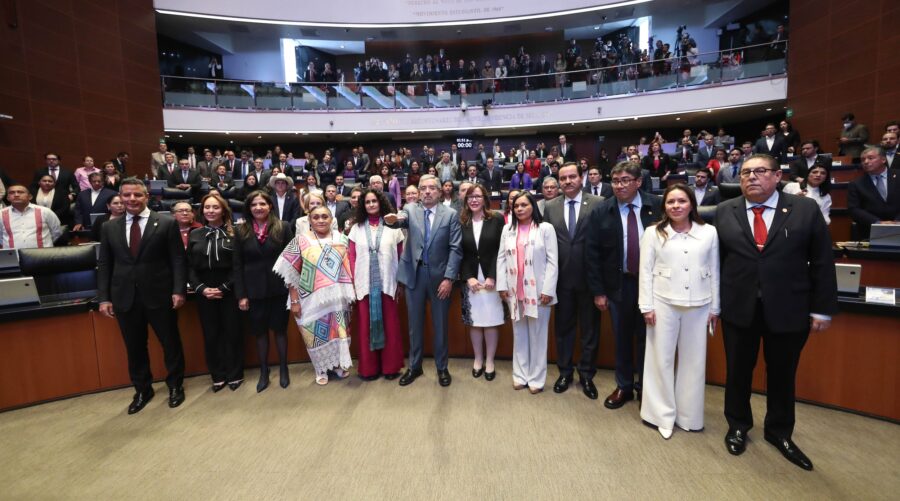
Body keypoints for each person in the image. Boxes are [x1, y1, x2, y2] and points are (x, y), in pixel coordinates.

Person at [716, 154, 838, 471]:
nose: (752, 177)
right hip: (738, 308)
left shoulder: (804, 209)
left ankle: (779, 432)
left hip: (789, 308)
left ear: (777, 175)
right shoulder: (724, 211)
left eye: (760, 171)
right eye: (745, 173)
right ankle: (738, 425)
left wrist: (822, 309)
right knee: (738, 372)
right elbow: (715, 263)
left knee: (783, 374)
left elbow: (823, 262)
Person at [97, 178, 186, 414]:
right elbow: (105, 264)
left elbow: (177, 259)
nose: (132, 199)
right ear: (120, 198)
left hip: (160, 295)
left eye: (137, 195)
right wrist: (104, 298)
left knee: (170, 343)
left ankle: (175, 385)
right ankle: (142, 389)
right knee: (134, 347)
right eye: (127, 195)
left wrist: (178, 290)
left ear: (146, 196)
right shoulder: (109, 227)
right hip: (125, 296)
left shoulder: (166, 223)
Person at [638, 184, 720, 439]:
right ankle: (660, 415)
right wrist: (646, 306)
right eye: (670, 202)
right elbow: (645, 271)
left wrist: (715, 307)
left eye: (681, 201)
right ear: (664, 206)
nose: (676, 206)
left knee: (694, 362)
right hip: (662, 303)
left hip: (700, 304)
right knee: (659, 359)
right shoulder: (653, 232)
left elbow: (715, 271)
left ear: (692, 204)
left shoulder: (709, 232)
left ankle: (688, 416)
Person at [585, 161, 662, 410]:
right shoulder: (602, 210)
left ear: (638, 182)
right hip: (618, 286)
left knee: (648, 338)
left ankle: (646, 388)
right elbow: (592, 254)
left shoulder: (657, 205)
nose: (619, 186)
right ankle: (624, 386)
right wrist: (598, 292)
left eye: (625, 180)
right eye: (616, 181)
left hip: (653, 286)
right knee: (622, 338)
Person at [384, 175, 462, 387]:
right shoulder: (410, 210)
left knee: (440, 325)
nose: (427, 192)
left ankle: (442, 368)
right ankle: (415, 366)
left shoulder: (451, 215)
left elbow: (456, 249)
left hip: (439, 278)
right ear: (418, 192)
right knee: (414, 325)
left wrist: (449, 278)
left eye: (431, 188)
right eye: (423, 188)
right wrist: (391, 219)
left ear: (439, 192)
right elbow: (398, 220)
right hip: (414, 276)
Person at [274, 206, 355, 385]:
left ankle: (338, 365)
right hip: (309, 297)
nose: (320, 220)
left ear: (331, 219)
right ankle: (321, 368)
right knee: (314, 334)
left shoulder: (342, 238)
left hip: (338, 297)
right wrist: (294, 300)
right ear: (309, 220)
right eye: (316, 217)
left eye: (324, 216)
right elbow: (290, 273)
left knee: (339, 331)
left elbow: (350, 266)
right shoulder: (300, 241)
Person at [542, 163, 604, 398]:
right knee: (563, 329)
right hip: (561, 280)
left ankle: (587, 375)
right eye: (563, 178)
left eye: (572, 177)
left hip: (590, 280)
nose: (567, 181)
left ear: (581, 178)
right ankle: (565, 372)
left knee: (590, 331)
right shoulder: (550, 206)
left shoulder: (597, 203)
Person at [496, 192, 558, 394]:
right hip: (515, 291)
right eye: (516, 206)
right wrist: (502, 285)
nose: (520, 209)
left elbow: (552, 261)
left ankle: (536, 379)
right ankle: (520, 375)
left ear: (533, 206)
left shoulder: (545, 228)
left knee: (538, 336)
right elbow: (501, 259)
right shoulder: (508, 229)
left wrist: (548, 289)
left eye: (524, 205)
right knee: (519, 334)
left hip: (539, 292)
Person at [234, 190, 294, 392]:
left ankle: (284, 368)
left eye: (262, 204)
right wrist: (241, 295)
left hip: (279, 289)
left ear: (270, 206)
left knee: (280, 331)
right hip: (254, 291)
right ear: (249, 208)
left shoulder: (283, 227)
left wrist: (292, 289)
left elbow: (292, 260)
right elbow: (237, 265)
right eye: (254, 205)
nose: (258, 208)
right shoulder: (241, 230)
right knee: (260, 333)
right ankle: (263, 370)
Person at [187, 193, 243, 392]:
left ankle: (235, 373)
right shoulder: (195, 234)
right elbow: (189, 267)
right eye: (207, 208)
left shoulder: (236, 233)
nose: (211, 211)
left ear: (224, 211)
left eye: (215, 207)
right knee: (211, 335)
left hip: (229, 289)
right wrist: (201, 288)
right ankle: (217, 375)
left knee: (232, 333)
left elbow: (239, 265)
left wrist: (224, 288)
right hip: (204, 290)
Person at [348, 190, 405, 380]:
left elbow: (400, 254)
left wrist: (400, 283)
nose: (371, 204)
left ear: (381, 203)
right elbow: (352, 257)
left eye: (374, 201)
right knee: (366, 327)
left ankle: (391, 367)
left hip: (388, 283)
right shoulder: (356, 228)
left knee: (390, 326)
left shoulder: (393, 226)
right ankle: (369, 369)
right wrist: (354, 283)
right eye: (367, 202)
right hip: (364, 284)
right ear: (363, 206)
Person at [459, 183, 505, 381]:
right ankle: (478, 359)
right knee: (476, 322)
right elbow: (458, 253)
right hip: (471, 281)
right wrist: (467, 276)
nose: (474, 200)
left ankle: (490, 361)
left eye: (477, 196)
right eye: (470, 197)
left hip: (491, 279)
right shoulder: (461, 221)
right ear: (466, 201)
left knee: (491, 321)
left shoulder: (496, 219)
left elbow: (501, 250)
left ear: (485, 199)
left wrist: (493, 275)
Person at [847, 146, 900, 238]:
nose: (866, 162)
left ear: (883, 159)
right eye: (863, 160)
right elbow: (854, 209)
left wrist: (897, 222)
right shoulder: (856, 184)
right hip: (870, 231)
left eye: (870, 158)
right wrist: (878, 222)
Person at [0, 184, 62, 249]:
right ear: (8, 198)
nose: (16, 195)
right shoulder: (1, 214)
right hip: (13, 256)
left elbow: (57, 232)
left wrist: (45, 244)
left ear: (30, 197)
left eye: (20, 192)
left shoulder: (45, 211)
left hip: (43, 255)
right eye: (12, 193)